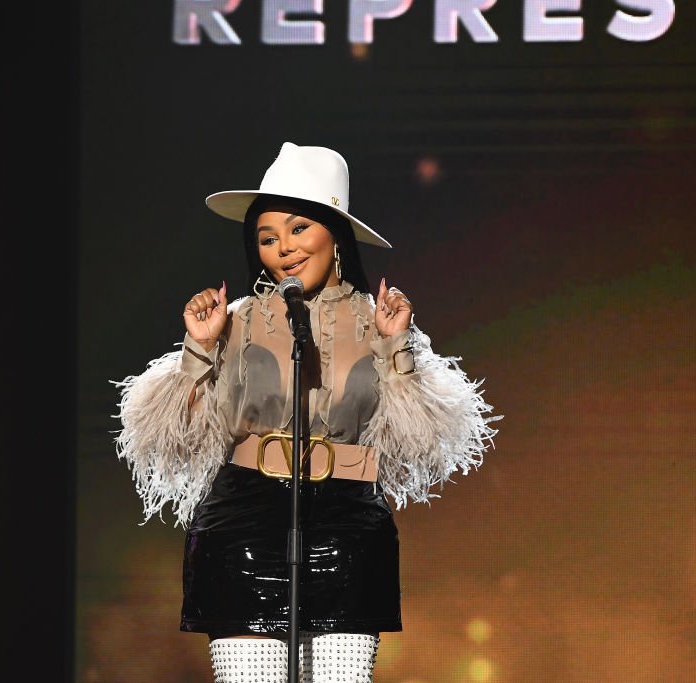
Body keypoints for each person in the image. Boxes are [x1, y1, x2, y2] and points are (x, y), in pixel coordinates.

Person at [114, 142, 498, 682]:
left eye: (298, 229)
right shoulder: (239, 319)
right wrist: (199, 348)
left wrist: (396, 349)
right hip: (245, 523)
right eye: (267, 237)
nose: (283, 249)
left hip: (348, 525)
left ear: (335, 233)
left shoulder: (376, 321)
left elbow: (421, 443)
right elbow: (172, 439)